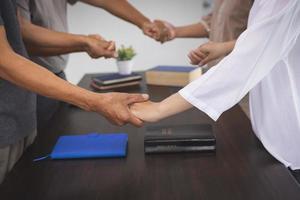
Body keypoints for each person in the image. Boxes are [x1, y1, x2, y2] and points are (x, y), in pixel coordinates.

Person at [131, 0, 300, 183]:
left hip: (287, 140)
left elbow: (250, 54)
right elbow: (259, 37)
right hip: (269, 131)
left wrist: (159, 109)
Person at [0, 0, 148, 184]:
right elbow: (5, 59)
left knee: (33, 181)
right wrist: (96, 101)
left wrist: (144, 22)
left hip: (22, 111)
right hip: (6, 121)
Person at [16, 0, 168, 126]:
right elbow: (21, 34)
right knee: (37, 153)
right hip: (26, 86)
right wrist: (84, 42)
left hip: (56, 76)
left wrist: (144, 23)